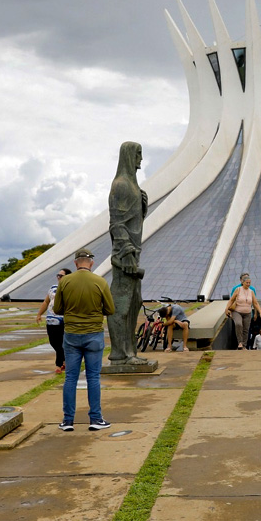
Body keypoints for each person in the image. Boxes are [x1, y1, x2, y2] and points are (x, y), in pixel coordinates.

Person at [53, 248, 115, 431]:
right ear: (91, 263)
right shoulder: (100, 281)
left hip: (71, 333)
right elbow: (110, 309)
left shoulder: (65, 282)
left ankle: (68, 420)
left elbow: (57, 309)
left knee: (70, 377)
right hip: (93, 333)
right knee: (93, 377)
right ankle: (95, 419)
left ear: (75, 263)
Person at [106, 141, 149, 366]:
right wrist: (127, 252)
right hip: (125, 256)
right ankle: (119, 354)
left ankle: (130, 351)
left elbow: (133, 222)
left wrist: (143, 207)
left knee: (135, 301)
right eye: (138, 154)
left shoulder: (133, 186)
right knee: (121, 304)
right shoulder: (122, 184)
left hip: (134, 252)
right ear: (129, 156)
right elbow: (116, 223)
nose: (141, 158)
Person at [36, 268, 72, 373]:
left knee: (62, 342)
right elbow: (46, 302)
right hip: (51, 320)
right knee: (53, 342)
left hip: (63, 319)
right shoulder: (53, 288)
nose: (59, 277)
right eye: (58, 275)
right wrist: (39, 314)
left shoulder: (70, 288)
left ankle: (59, 365)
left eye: (61, 275)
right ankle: (64, 360)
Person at [225, 273, 261, 349]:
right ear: (243, 282)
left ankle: (244, 345)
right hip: (237, 311)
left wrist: (260, 312)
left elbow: (255, 303)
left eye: (249, 283)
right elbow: (231, 300)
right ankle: (240, 342)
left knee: (246, 329)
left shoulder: (251, 291)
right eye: (247, 283)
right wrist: (227, 308)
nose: (248, 284)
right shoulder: (238, 290)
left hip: (247, 313)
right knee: (238, 324)